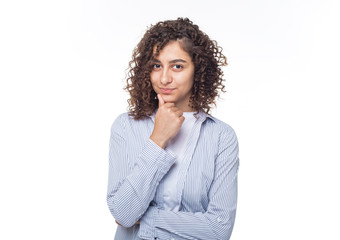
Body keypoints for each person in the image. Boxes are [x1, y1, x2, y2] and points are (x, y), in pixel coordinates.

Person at [107, 17, 239, 240]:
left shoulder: (221, 137)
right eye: (157, 66)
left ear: (198, 70)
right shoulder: (126, 126)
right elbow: (123, 213)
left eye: (177, 66)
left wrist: (147, 220)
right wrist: (158, 139)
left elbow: (219, 229)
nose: (165, 78)